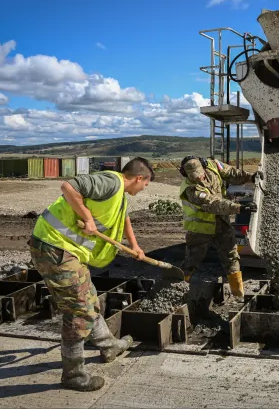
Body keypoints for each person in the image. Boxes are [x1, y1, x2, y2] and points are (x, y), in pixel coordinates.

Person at [28, 157, 154, 392]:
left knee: (89, 297)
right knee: (79, 310)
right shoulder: (111, 182)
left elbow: (123, 218)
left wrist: (135, 246)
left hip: (66, 251)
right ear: (139, 178)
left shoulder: (120, 197)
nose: (144, 189)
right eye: (146, 184)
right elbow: (69, 187)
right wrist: (87, 218)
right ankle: (73, 375)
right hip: (54, 247)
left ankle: (109, 346)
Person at [178, 156, 259, 297]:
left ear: (204, 167)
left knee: (231, 256)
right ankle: (177, 289)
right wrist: (238, 208)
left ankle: (238, 294)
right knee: (192, 260)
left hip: (222, 222)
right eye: (194, 177)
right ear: (186, 175)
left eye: (200, 175)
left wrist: (251, 177)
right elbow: (214, 204)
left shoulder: (213, 165)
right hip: (200, 229)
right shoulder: (191, 190)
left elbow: (231, 173)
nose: (199, 179)